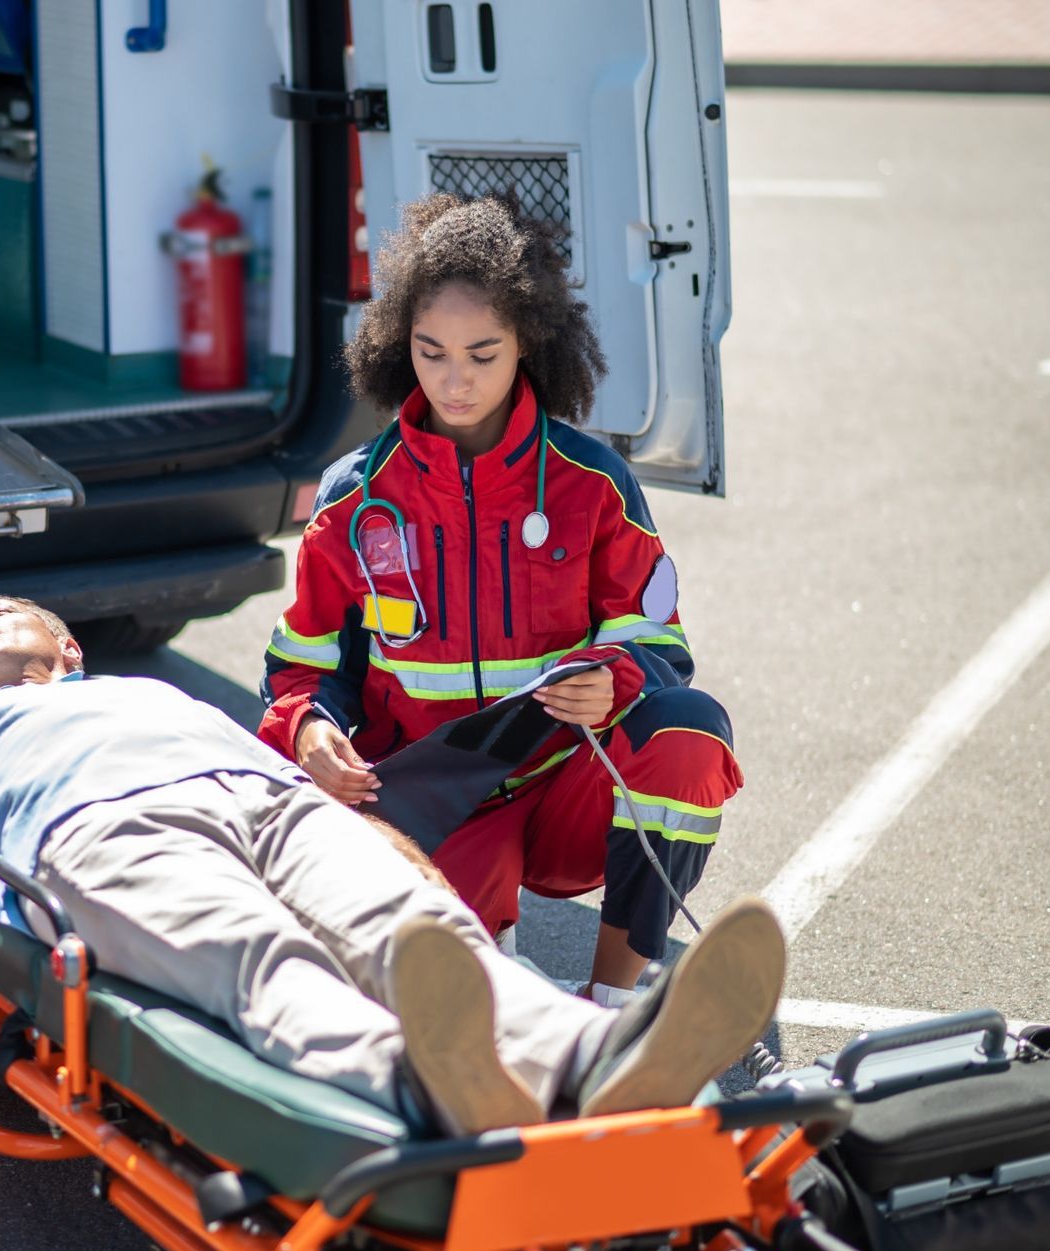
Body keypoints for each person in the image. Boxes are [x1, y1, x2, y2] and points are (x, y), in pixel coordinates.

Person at [0, 443, 787, 1140]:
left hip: (265, 800)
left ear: (66, 646)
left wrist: (397, 853)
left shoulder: (157, 695)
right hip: (103, 836)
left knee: (414, 930)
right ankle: (423, 1083)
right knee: (270, 966)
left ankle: (604, 1053)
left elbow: (315, 778)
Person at [259, 193, 743, 1006]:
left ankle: (616, 1001)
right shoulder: (354, 501)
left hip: (567, 786)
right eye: (430, 352)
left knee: (691, 732)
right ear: (396, 346)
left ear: (529, 345)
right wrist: (309, 730)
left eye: (483, 354)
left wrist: (615, 679)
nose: (455, 380)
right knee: (463, 1010)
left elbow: (658, 645)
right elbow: (300, 671)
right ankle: (494, 959)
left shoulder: (594, 481)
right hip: (435, 804)